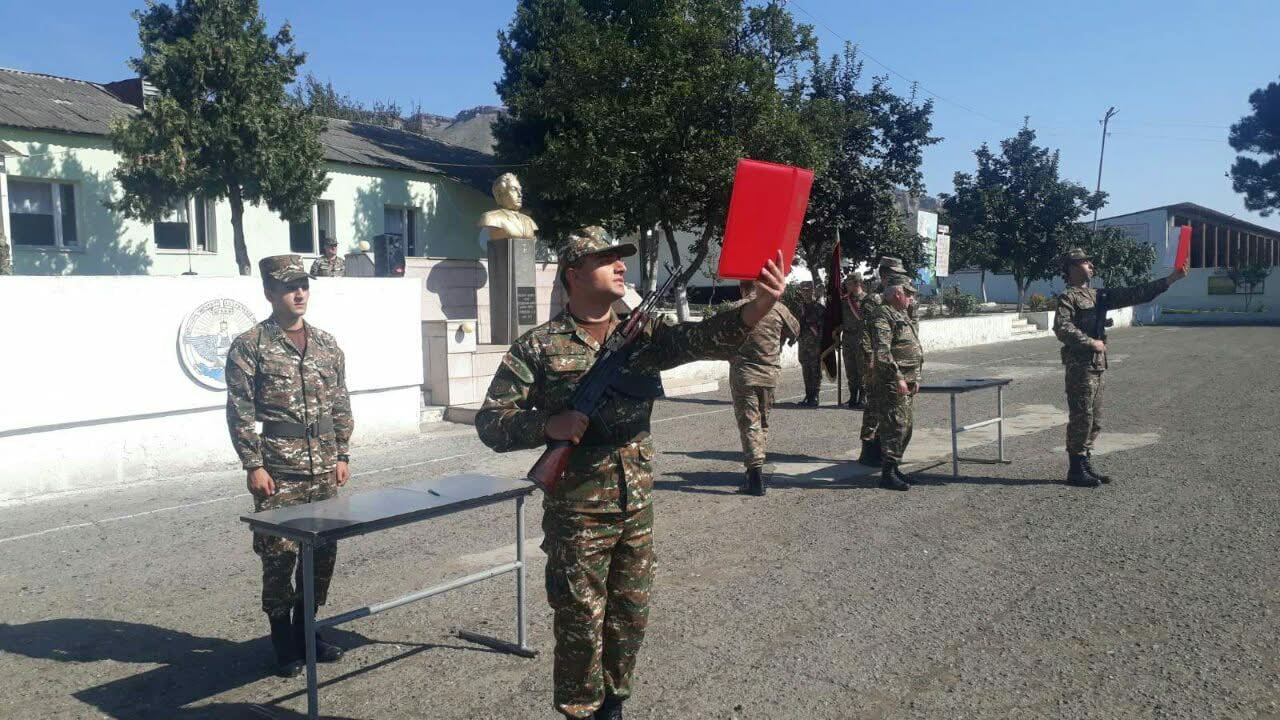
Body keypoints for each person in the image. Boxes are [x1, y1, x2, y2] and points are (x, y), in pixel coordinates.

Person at [475, 231, 787, 720]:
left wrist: (757, 307)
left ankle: (614, 702)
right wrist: (548, 426)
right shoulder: (539, 346)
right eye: (606, 260)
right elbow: (491, 422)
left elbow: (700, 338)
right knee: (580, 621)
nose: (621, 267)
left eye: (621, 259)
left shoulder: (644, 334)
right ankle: (581, 709)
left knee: (630, 614)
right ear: (574, 274)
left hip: (636, 504)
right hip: (578, 514)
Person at [225, 254, 354, 678]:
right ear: (269, 293)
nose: (299, 293)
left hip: (324, 470)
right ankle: (283, 641)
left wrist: (342, 454)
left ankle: (307, 632)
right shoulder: (250, 345)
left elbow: (340, 401)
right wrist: (253, 464)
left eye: (303, 285)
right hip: (278, 472)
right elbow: (240, 411)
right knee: (278, 557)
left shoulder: (327, 343)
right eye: (288, 287)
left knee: (322, 555)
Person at [1053, 248, 1186, 487]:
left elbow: (1135, 293)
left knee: (1095, 418)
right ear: (1072, 268)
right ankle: (1075, 469)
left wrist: (1171, 279)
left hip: (1097, 366)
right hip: (1080, 367)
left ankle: (1085, 462)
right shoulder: (1068, 297)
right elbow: (1062, 327)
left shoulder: (1097, 295)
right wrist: (1090, 342)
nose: (1091, 265)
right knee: (1082, 416)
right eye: (1085, 262)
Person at [729, 280, 800, 496]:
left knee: (749, 423)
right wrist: (780, 339)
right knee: (762, 422)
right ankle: (755, 469)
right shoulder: (777, 307)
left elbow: (718, 338)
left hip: (744, 374)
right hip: (769, 374)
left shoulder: (736, 308)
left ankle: (755, 476)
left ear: (742, 288)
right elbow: (796, 329)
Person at [869, 275, 922, 492]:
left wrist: (915, 378)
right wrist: (898, 377)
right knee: (895, 426)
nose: (910, 298)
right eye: (907, 293)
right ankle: (887, 473)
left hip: (907, 381)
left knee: (906, 427)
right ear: (897, 294)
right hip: (891, 382)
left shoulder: (900, 313)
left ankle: (895, 467)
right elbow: (883, 351)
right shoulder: (882, 314)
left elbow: (911, 346)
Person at [856, 257, 909, 466]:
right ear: (885, 275)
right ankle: (869, 449)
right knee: (873, 404)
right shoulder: (874, 300)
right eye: (897, 273)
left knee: (891, 407)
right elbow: (866, 332)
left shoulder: (901, 294)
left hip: (895, 359)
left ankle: (883, 448)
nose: (901, 277)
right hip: (876, 358)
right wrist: (869, 358)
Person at [839, 273, 869, 409]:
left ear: (857, 283)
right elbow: (840, 319)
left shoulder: (867, 300)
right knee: (850, 369)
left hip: (861, 338)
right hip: (847, 338)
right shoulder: (845, 301)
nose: (847, 286)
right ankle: (852, 396)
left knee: (862, 369)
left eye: (849, 284)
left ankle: (863, 397)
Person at [796, 280, 825, 406]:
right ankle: (808, 395)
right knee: (806, 369)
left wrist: (820, 343)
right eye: (803, 291)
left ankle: (815, 396)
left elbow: (823, 327)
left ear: (813, 291)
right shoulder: (799, 308)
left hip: (815, 344)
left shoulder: (819, 308)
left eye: (808, 290)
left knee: (815, 369)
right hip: (802, 343)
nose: (806, 293)